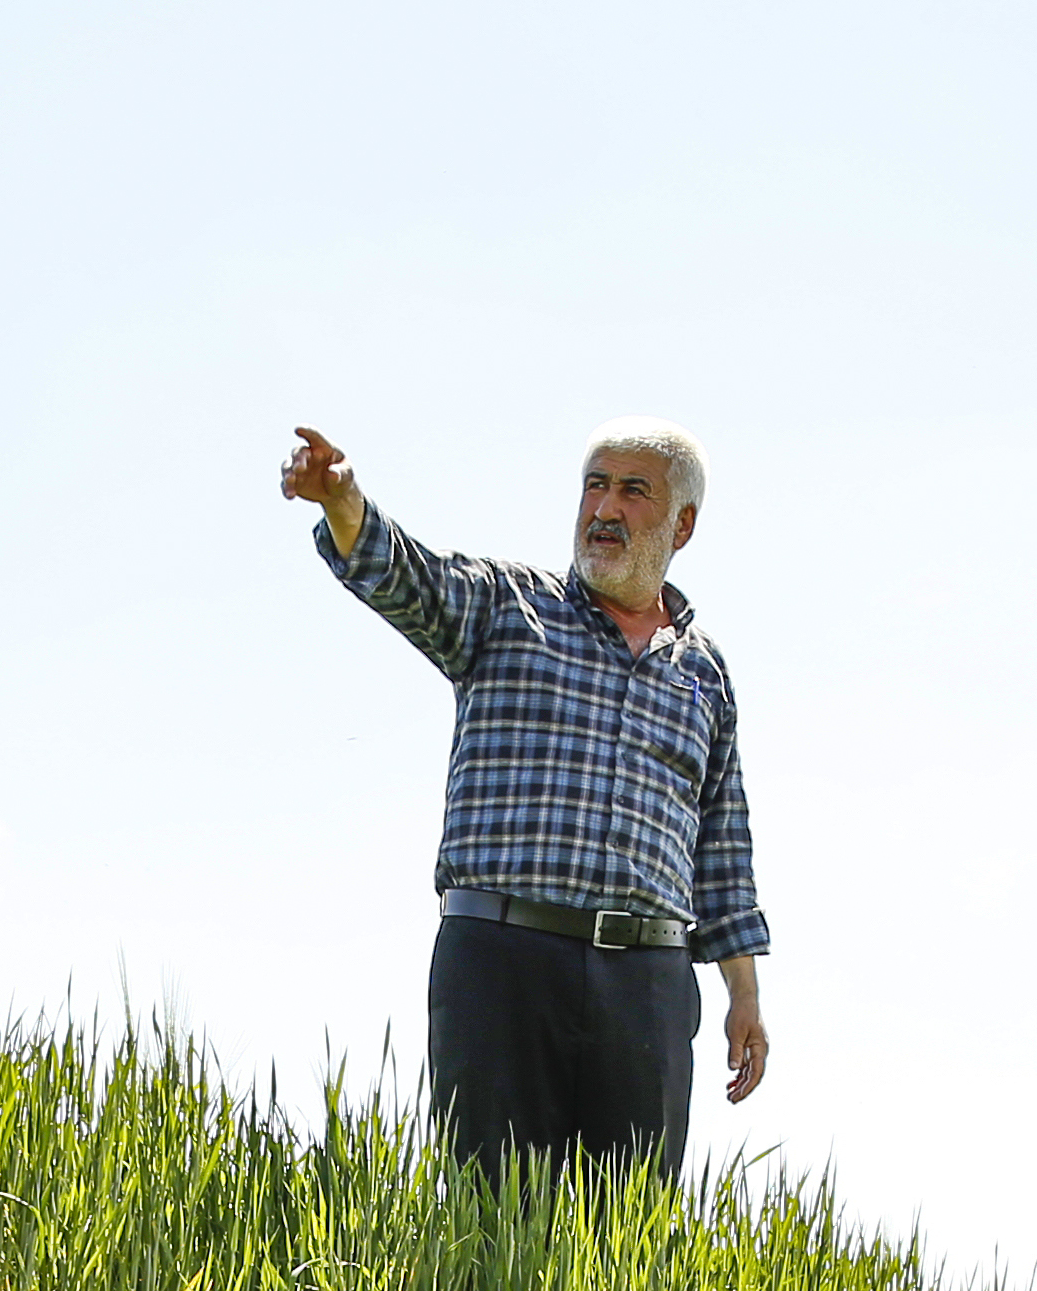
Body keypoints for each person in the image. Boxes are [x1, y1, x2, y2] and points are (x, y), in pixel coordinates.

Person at [283, 420, 770, 1183]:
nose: (604, 508)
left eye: (633, 491)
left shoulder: (704, 672)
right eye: (594, 485)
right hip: (503, 962)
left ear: (682, 522)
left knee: (623, 1245)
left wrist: (743, 992)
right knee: (491, 1222)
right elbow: (414, 579)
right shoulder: (506, 607)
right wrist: (344, 503)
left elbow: (721, 843)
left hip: (648, 983)